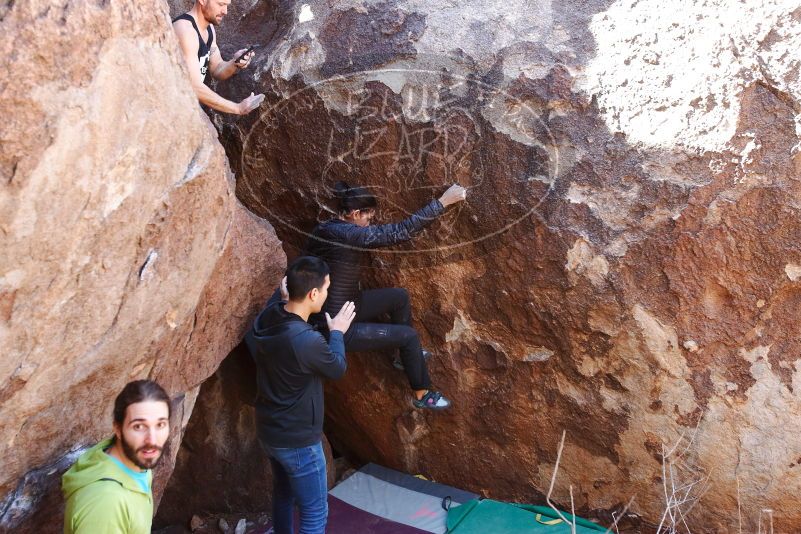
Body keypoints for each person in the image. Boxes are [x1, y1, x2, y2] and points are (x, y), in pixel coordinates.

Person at [304, 181, 467, 410]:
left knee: (399, 297)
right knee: (409, 336)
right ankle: (423, 393)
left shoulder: (327, 228)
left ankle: (403, 357)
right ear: (354, 214)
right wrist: (443, 202)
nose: (369, 225)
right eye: (368, 219)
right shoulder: (347, 234)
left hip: (348, 304)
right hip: (336, 326)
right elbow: (400, 232)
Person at [245, 256, 356, 534]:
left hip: (271, 432)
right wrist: (338, 333)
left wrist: (283, 300)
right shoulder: (306, 340)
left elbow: (279, 309)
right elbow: (337, 367)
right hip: (299, 441)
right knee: (315, 514)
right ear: (313, 294)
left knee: (283, 493)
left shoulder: (268, 317)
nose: (328, 294)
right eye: (326, 289)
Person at [62, 380, 171, 534]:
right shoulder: (106, 504)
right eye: (139, 426)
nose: (152, 440)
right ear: (118, 429)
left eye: (160, 425)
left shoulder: (137, 462)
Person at [172, 0, 265, 115]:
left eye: (227, 5)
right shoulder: (186, 31)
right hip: (170, 110)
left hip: (187, 110)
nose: (225, 11)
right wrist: (237, 108)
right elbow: (193, 86)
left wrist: (235, 63)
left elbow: (216, 69)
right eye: (220, 4)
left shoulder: (209, 29)